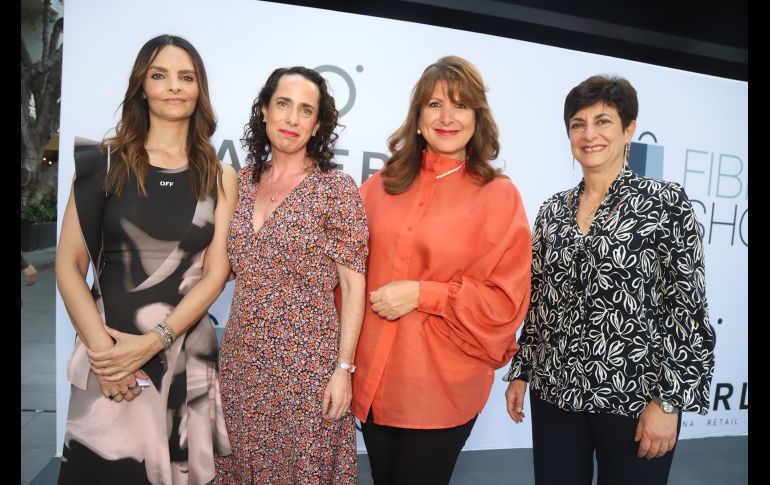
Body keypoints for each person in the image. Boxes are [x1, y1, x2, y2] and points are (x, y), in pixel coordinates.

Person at [503, 75, 716, 485]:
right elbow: (542, 303)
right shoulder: (551, 211)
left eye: (603, 121)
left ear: (628, 128)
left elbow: (687, 312)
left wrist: (669, 403)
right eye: (578, 124)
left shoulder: (664, 203)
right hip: (556, 394)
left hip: (635, 398)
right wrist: (522, 370)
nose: (589, 134)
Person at [56, 35, 236, 484]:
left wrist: (155, 340)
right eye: (160, 75)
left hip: (183, 360)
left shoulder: (220, 175)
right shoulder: (101, 163)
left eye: (186, 77)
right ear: (142, 86)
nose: (174, 87)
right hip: (109, 355)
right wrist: (104, 354)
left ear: (200, 89)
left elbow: (216, 275)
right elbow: (69, 265)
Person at [352, 56, 532, 485]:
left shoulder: (498, 196)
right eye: (434, 105)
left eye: (461, 105)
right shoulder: (379, 186)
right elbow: (343, 274)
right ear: (417, 117)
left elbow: (505, 302)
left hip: (440, 388)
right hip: (374, 382)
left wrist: (423, 293)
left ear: (477, 118)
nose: (447, 117)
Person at [214, 66, 368, 484]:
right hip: (241, 363)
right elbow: (221, 268)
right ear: (264, 110)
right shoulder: (240, 183)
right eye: (283, 104)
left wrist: (344, 369)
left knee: (303, 471)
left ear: (317, 125)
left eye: (305, 110)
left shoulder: (335, 189)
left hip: (307, 367)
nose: (291, 119)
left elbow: (354, 286)